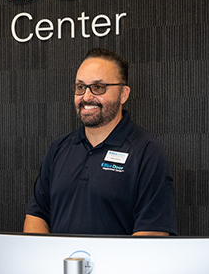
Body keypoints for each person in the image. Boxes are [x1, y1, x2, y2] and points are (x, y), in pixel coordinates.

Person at [24, 48, 177, 236]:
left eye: (98, 87)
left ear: (123, 94)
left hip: (119, 266)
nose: (87, 97)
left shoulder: (147, 152)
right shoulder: (58, 149)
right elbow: (36, 216)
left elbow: (153, 232)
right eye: (80, 87)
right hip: (62, 265)